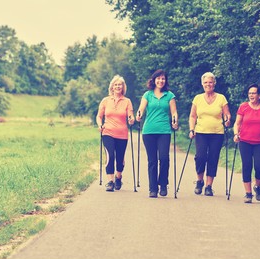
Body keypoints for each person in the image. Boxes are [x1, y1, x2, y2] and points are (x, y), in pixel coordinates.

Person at [136, 69, 178, 198]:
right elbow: (141, 109)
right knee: (152, 160)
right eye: (158, 78)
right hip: (148, 131)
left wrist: (175, 121)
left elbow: (174, 112)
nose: (161, 81)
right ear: (154, 80)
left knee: (164, 158)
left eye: (163, 78)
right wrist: (139, 115)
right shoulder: (147, 95)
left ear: (165, 81)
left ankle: (163, 184)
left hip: (164, 131)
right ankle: (153, 188)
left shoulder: (169, 95)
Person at [188, 72, 231, 196]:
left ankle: (209, 186)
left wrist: (227, 120)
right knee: (200, 157)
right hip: (201, 132)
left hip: (217, 133)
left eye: (210, 82)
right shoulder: (197, 98)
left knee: (213, 158)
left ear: (214, 83)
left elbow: (227, 113)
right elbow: (192, 116)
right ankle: (199, 181)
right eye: (206, 82)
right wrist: (191, 129)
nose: (208, 84)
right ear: (202, 84)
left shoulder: (221, 98)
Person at [233, 83, 260, 203]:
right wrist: (236, 134)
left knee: (259, 166)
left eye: (254, 93)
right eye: (250, 93)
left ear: (259, 95)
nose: (251, 95)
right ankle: (248, 194)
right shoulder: (243, 107)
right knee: (247, 166)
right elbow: (237, 123)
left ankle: (257, 186)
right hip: (244, 141)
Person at [96, 75, 135, 192]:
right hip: (107, 132)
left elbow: (130, 115)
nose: (118, 87)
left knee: (120, 159)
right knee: (110, 156)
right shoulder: (105, 101)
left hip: (122, 134)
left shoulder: (127, 101)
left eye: (120, 85)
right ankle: (110, 181)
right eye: (116, 85)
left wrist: (131, 119)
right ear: (112, 87)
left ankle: (118, 177)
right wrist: (99, 125)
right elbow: (99, 116)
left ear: (123, 87)